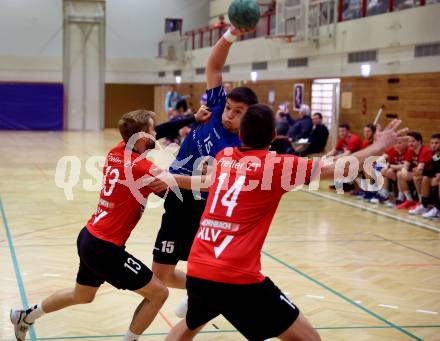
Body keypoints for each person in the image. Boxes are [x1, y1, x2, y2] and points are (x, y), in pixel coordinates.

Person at [164, 104, 406, 341]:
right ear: (273, 136)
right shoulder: (278, 165)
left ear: (240, 133)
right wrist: (380, 144)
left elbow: (209, 181)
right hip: (237, 276)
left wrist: (172, 178)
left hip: (199, 267)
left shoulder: (224, 158)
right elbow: (343, 168)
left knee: (190, 325)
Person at [10, 110, 171, 341]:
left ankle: (25, 316)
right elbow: (177, 193)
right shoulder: (142, 168)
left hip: (88, 238)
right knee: (159, 293)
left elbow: (149, 139)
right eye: (153, 129)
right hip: (105, 248)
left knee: (82, 295)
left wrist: (190, 120)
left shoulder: (117, 151)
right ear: (143, 137)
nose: (157, 132)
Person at [152, 25, 257, 292]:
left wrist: (172, 178)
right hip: (177, 197)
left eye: (238, 112)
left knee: (204, 268)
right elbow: (214, 65)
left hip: (203, 208)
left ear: (250, 116)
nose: (229, 114)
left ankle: (205, 294)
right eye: (230, 108)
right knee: (161, 275)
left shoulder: (239, 147)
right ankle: (198, 292)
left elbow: (211, 183)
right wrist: (232, 33)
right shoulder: (218, 106)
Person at [396, 131, 432, 210]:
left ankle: (421, 202)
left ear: (419, 141)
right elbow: (406, 164)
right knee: (400, 174)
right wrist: (404, 171)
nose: (410, 143)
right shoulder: (410, 150)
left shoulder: (425, 150)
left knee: (416, 176)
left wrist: (415, 170)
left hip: (428, 174)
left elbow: (421, 167)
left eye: (413, 141)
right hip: (418, 173)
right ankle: (409, 200)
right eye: (409, 141)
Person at [408, 133, 440, 217]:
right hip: (436, 178)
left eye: (436, 143)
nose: (433, 145)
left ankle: (437, 208)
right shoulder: (433, 155)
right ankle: (424, 205)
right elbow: (431, 170)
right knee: (425, 178)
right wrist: (420, 171)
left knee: (437, 181)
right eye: (432, 143)